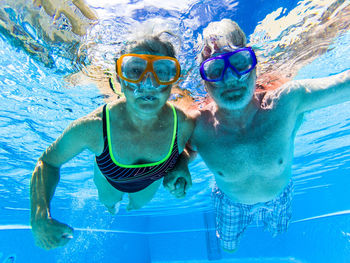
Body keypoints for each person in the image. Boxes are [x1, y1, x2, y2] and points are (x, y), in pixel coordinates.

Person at [163, 18, 350, 252]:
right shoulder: (197, 124)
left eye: (239, 63)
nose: (230, 78)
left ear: (254, 65)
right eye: (215, 70)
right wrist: (181, 162)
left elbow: (344, 84)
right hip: (229, 202)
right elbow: (190, 148)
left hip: (280, 195)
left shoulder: (286, 103)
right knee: (229, 248)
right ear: (205, 81)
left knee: (277, 234)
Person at [30, 34, 194, 250]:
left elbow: (192, 146)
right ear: (119, 78)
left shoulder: (184, 124)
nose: (148, 83)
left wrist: (182, 163)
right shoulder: (93, 127)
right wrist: (38, 216)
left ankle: (127, 205)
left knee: (136, 205)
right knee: (109, 202)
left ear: (173, 80)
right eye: (135, 70)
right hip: (109, 180)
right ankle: (111, 206)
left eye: (162, 71)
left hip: (150, 183)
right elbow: (47, 162)